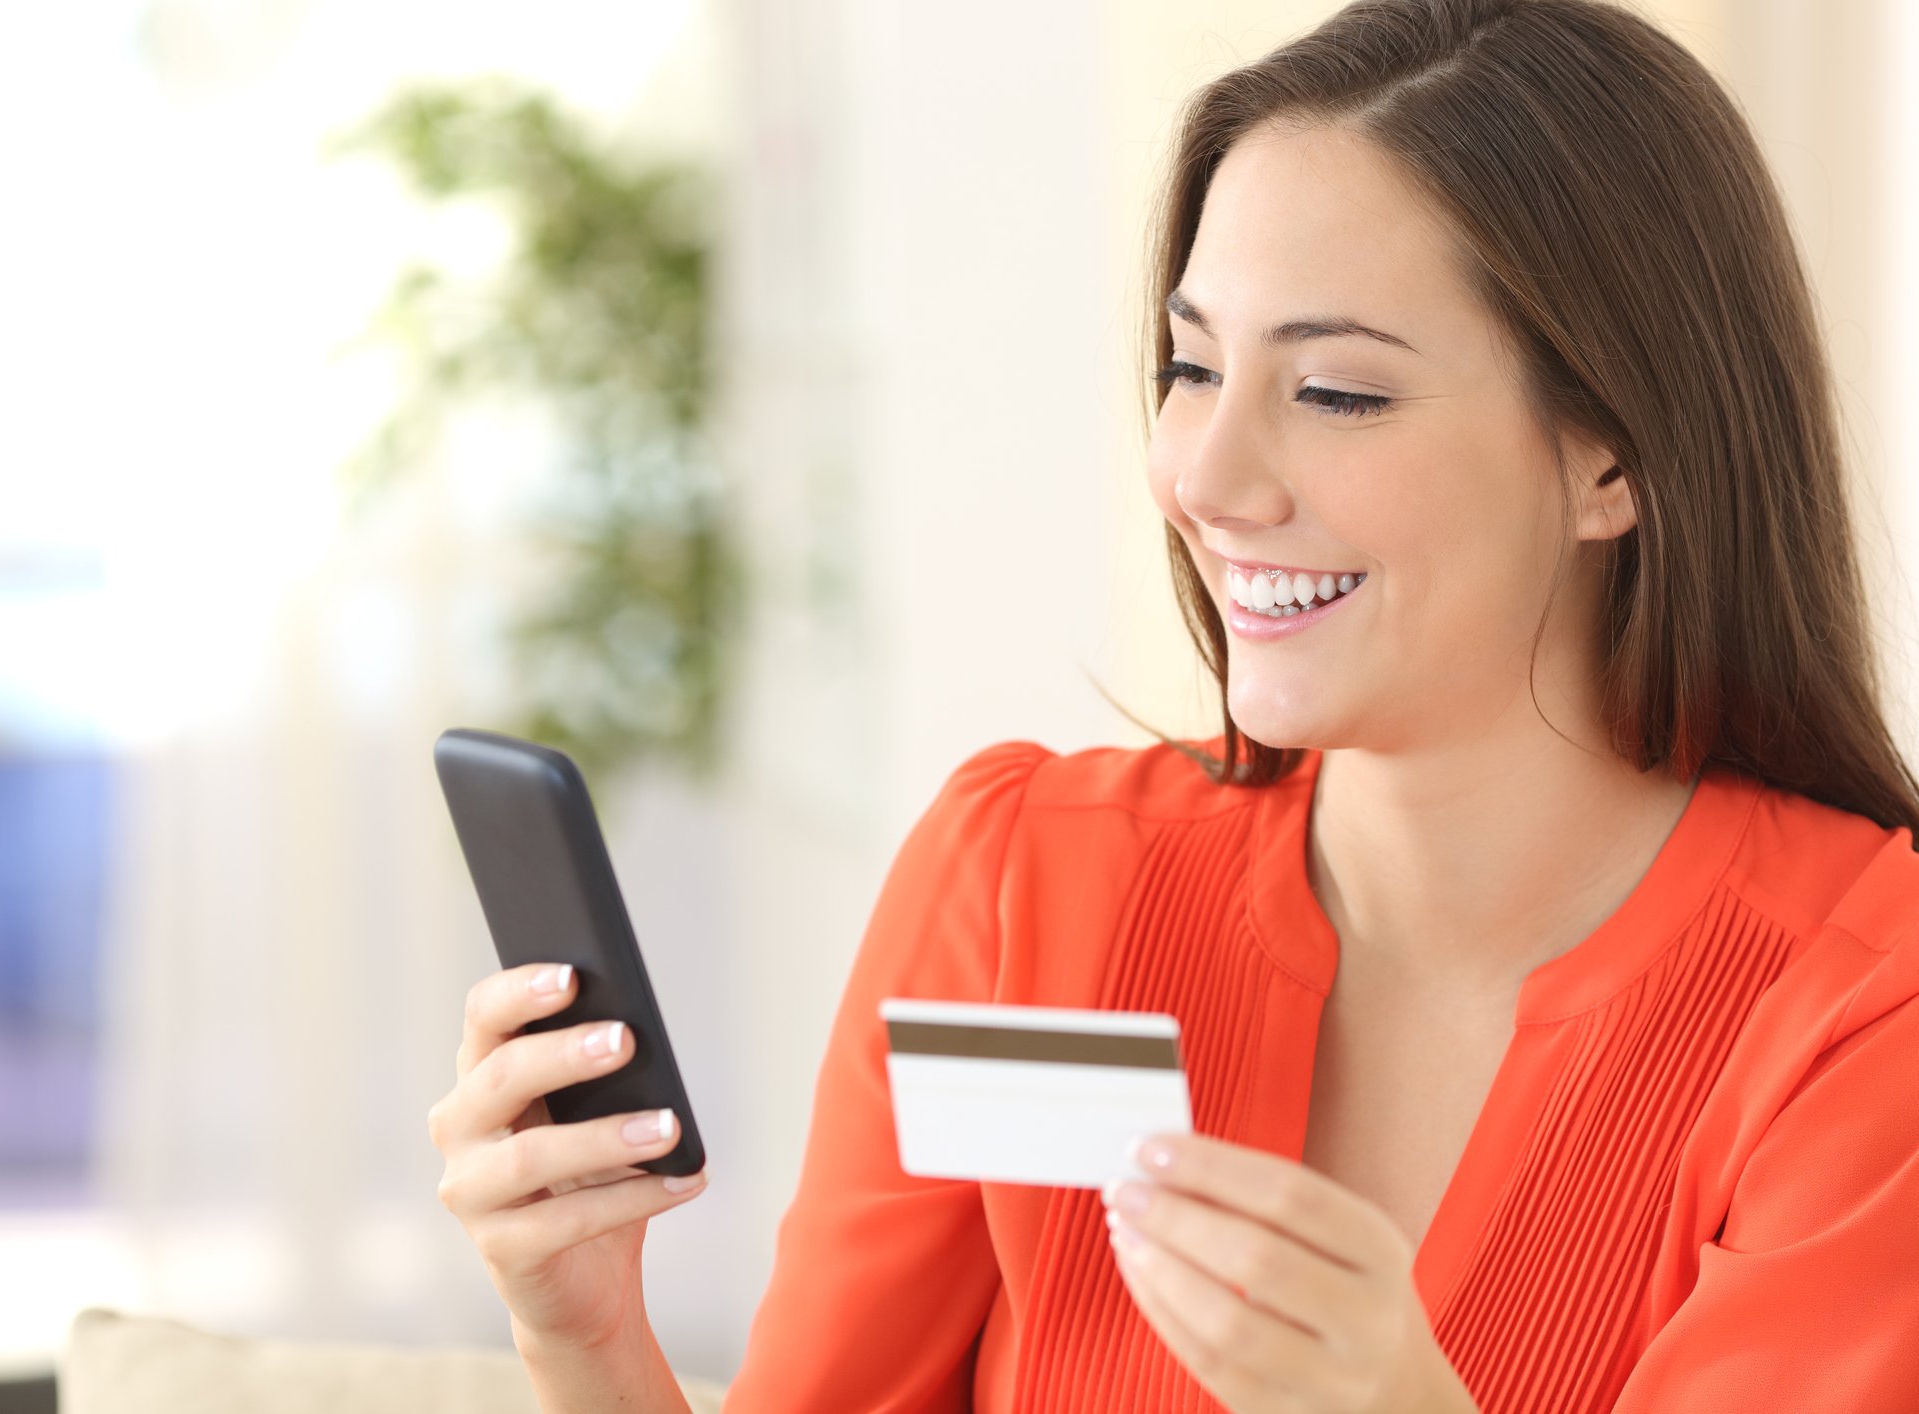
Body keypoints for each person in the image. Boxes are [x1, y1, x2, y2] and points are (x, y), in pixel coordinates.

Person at [426, 0, 1919, 1408]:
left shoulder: (1863, 1015)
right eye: (1190, 366)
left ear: (1612, 458)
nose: (1203, 477)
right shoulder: (1022, 880)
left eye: (1334, 391)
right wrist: (593, 1341)